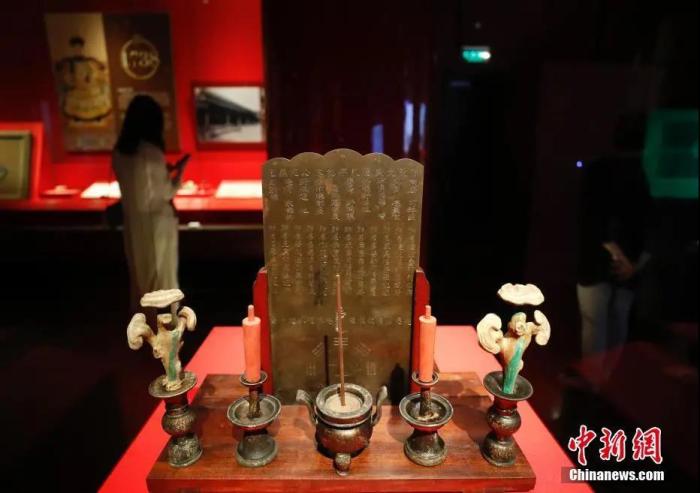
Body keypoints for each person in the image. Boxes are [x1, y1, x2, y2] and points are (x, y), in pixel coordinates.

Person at [575, 112, 652, 389]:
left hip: (598, 260)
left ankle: (594, 382)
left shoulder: (600, 170)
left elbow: (593, 220)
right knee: (617, 323)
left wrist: (619, 257)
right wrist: (633, 263)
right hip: (629, 263)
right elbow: (650, 224)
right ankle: (609, 382)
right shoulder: (642, 172)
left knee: (596, 325)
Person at [112, 95, 189, 308]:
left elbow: (140, 188)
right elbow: (164, 193)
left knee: (140, 280)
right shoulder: (151, 152)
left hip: (134, 224)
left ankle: (142, 323)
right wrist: (179, 174)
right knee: (162, 281)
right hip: (158, 226)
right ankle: (167, 324)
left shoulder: (120, 152)